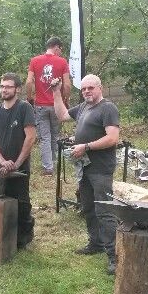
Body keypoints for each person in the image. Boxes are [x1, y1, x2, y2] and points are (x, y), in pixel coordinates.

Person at [51, 74, 120, 275]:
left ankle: (114, 256)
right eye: (83, 89)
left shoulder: (107, 108)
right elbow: (62, 115)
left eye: (91, 88)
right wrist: (56, 93)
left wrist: (86, 146)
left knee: (105, 211)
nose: (87, 92)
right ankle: (96, 243)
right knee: (88, 207)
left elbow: (113, 138)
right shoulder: (83, 107)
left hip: (101, 168)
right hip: (85, 167)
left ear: (100, 88)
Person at [0, 73, 37, 249]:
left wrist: (17, 162)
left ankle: (26, 235)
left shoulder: (24, 108)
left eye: (8, 86)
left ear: (18, 89)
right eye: (2, 86)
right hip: (1, 166)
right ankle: (7, 234)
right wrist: (1, 160)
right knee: (4, 196)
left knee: (21, 201)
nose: (4, 89)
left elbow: (30, 137)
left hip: (20, 166)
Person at [27, 36, 71, 175]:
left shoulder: (35, 61)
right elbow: (67, 84)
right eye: (60, 49)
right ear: (56, 47)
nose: (60, 52)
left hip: (40, 104)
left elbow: (29, 82)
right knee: (55, 134)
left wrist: (30, 97)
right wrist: (65, 99)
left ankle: (48, 167)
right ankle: (54, 161)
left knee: (45, 136)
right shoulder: (62, 62)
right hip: (57, 105)